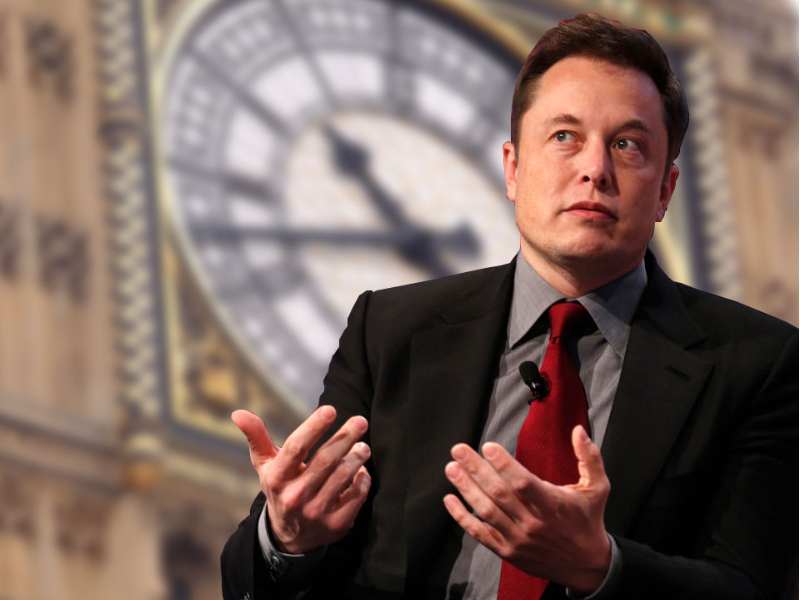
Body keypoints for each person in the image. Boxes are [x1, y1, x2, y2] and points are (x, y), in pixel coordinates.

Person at [221, 13, 797, 600]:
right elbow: (258, 574)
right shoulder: (389, 331)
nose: (594, 170)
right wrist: (285, 538)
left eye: (627, 145)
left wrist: (601, 567)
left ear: (666, 191)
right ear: (513, 169)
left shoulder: (759, 363)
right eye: (565, 137)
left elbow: (750, 586)